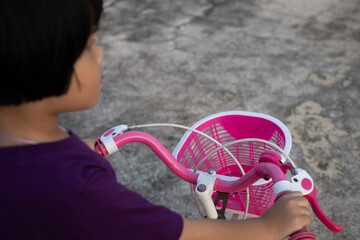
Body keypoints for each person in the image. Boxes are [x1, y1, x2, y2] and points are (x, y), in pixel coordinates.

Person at [0, 0, 311, 239]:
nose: (100, 54)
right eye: (88, 44)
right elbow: (176, 234)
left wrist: (81, 146)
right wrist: (268, 227)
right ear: (37, 63)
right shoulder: (81, 192)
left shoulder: (20, 137)